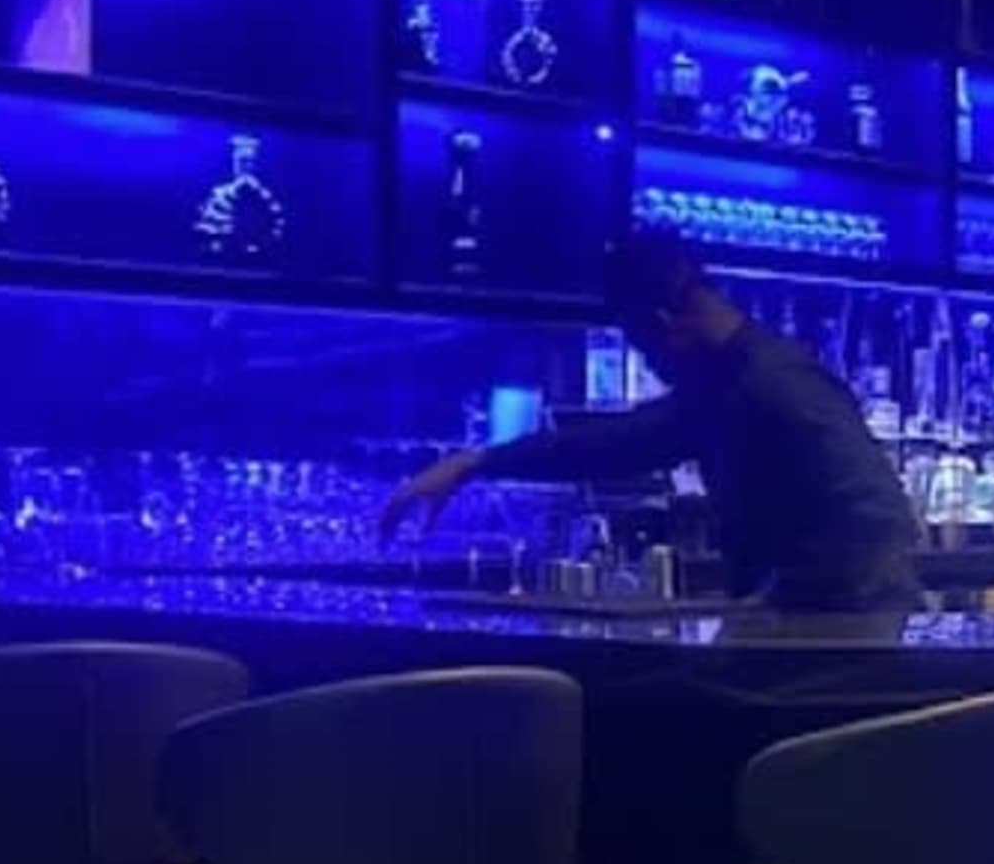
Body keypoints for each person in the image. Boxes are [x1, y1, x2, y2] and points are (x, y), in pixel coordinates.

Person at [382, 236, 921, 614]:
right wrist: (478, 462)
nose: (653, 366)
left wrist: (784, 599)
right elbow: (617, 443)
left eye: (642, 347)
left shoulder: (774, 383)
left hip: (839, 653)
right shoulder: (730, 383)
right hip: (829, 641)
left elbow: (877, 516)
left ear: (666, 323)